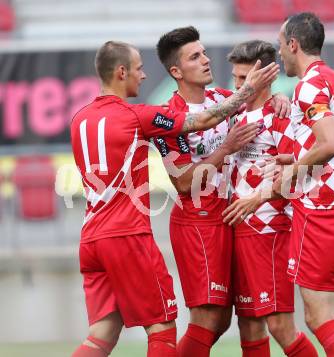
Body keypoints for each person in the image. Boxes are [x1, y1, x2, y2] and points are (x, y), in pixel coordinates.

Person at [70, 40, 279, 357]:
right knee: (163, 326)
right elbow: (200, 124)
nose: (143, 76)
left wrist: (276, 98)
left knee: (102, 334)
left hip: (91, 236)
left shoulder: (80, 120)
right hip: (127, 234)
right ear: (121, 72)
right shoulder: (137, 116)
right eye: (139, 69)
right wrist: (248, 90)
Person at [224, 13, 334, 357]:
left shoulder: (309, 86)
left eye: (280, 44)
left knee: (318, 318)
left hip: (325, 208)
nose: (280, 53)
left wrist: (291, 173)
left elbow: (330, 144)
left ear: (293, 44)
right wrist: (293, 159)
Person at [154, 26, 290, 357]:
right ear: (176, 71)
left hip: (231, 217)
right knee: (208, 319)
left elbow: (252, 98)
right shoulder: (167, 120)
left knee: (234, 319)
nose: (205, 60)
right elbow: (184, 183)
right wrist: (225, 149)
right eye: (194, 56)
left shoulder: (221, 100)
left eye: (203, 52)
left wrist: (277, 97)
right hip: (197, 223)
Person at [227, 40, 318, 357]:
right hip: (240, 230)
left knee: (280, 326)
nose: (240, 85)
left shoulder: (282, 116)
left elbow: (301, 172)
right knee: (249, 324)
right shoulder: (236, 114)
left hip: (271, 231)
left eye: (245, 78)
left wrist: (259, 197)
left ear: (267, 76)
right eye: (236, 78)